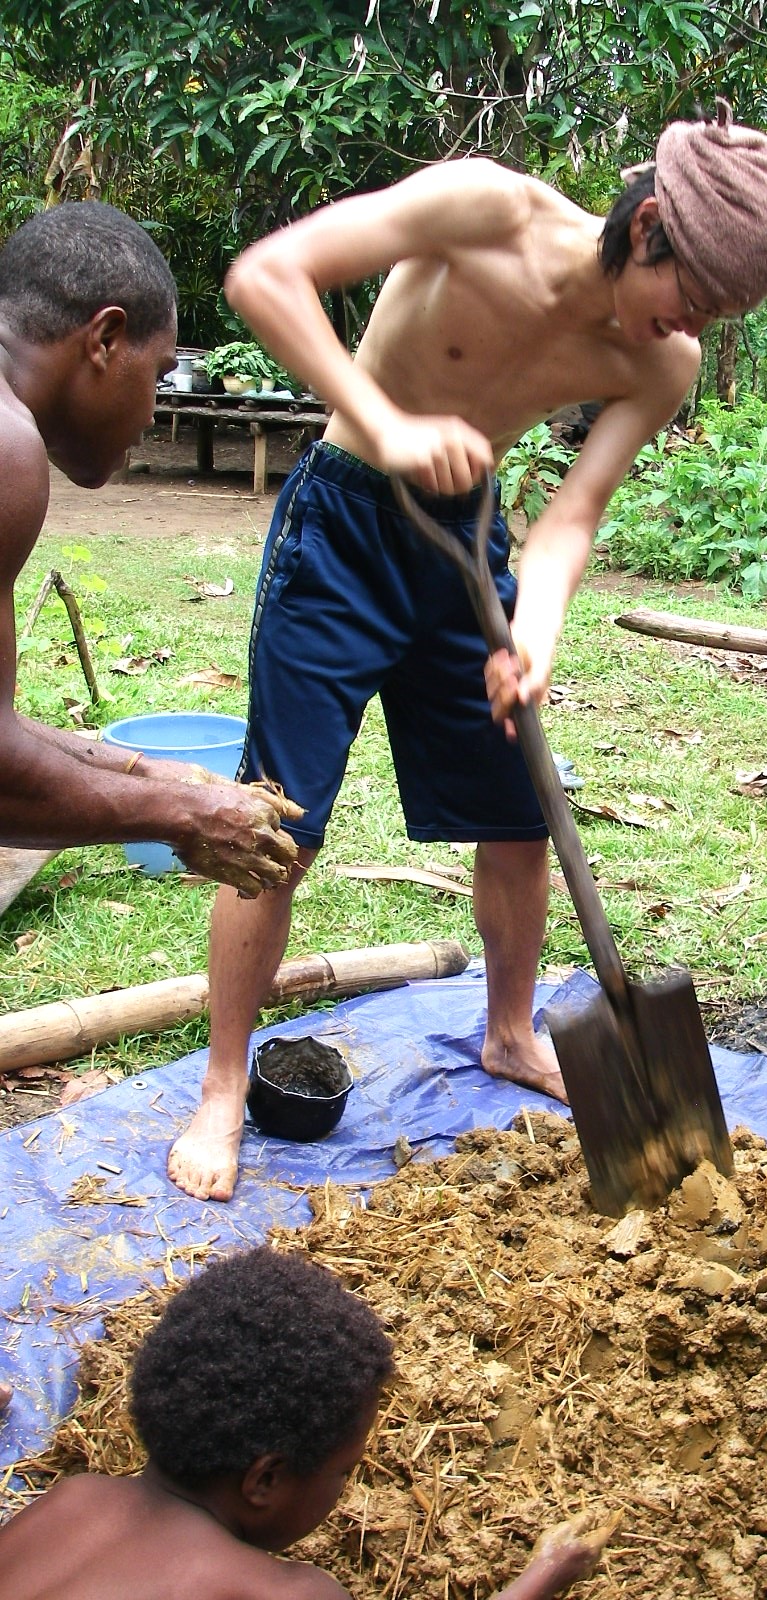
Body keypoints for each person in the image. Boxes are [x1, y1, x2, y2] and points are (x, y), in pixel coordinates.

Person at [166, 103, 767, 1202]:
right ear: (646, 225)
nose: (691, 329)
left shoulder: (660, 363)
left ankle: (511, 1031)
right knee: (279, 825)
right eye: (692, 298)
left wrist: (535, 635)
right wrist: (386, 419)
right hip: (347, 525)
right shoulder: (483, 208)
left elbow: (575, 515)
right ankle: (223, 1085)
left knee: (520, 814)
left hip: (468, 550)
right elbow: (266, 277)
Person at [0, 201, 301, 1419]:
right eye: (163, 375)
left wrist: (139, 776)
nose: (160, 408)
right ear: (105, 338)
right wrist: (182, 814)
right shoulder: (8, 451)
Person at [0, 1246, 615, 1599]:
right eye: (344, 1472)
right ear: (265, 1480)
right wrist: (544, 1575)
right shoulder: (286, 1595)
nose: (347, 1489)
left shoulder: (73, 1500)